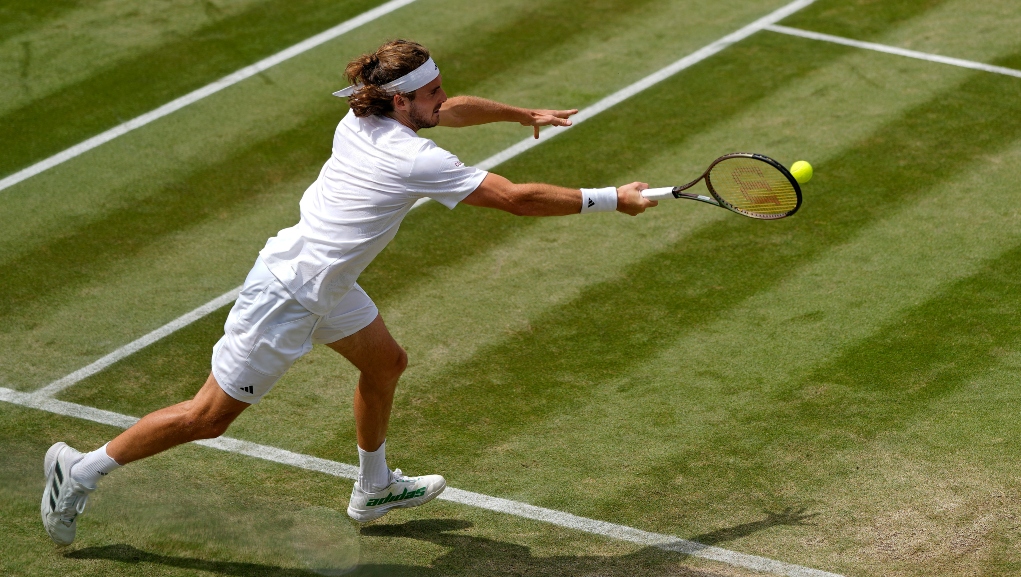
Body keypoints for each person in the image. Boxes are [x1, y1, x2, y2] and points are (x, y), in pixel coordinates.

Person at [41, 39, 656, 545]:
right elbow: (515, 199)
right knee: (207, 419)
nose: (441, 101)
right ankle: (81, 468)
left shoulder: (362, 115)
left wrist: (521, 115)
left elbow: (453, 108)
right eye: (430, 94)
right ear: (398, 100)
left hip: (326, 283)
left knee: (386, 362)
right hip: (289, 294)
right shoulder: (411, 160)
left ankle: (374, 487)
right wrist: (611, 200)